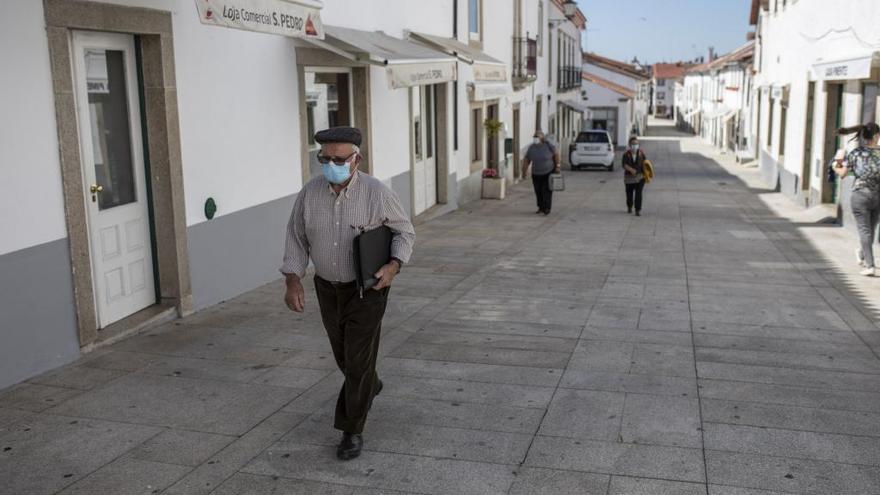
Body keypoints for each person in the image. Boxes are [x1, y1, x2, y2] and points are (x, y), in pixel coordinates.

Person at [280, 126, 415, 460]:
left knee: (355, 361)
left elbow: (404, 231)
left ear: (357, 158)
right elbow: (297, 236)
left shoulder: (376, 192)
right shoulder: (310, 192)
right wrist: (293, 280)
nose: (331, 165)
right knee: (345, 356)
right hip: (327, 288)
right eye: (324, 159)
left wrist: (394, 265)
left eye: (339, 159)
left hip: (367, 289)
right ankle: (370, 382)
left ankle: (351, 429)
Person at [832, 122, 880, 277]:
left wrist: (835, 165)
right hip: (877, 196)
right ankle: (863, 253)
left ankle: (870, 265)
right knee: (871, 229)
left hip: (860, 195)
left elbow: (843, 173)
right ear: (877, 136)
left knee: (865, 230)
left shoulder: (855, 153)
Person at [522, 130, 560, 215]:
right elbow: (527, 159)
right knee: (538, 191)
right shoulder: (531, 147)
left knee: (546, 190)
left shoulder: (548, 146)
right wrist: (524, 171)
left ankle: (547, 208)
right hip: (536, 173)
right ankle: (541, 207)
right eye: (534, 137)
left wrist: (557, 166)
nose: (535, 138)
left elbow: (556, 155)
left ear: (542, 138)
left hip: (548, 171)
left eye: (537, 137)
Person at [622, 136, 647, 216]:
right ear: (629, 145)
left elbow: (646, 164)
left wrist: (647, 174)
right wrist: (631, 170)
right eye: (633, 144)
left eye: (636, 144)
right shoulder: (626, 154)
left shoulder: (641, 153)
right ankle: (629, 206)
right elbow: (624, 164)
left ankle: (637, 210)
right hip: (629, 178)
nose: (635, 145)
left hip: (640, 177)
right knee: (629, 194)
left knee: (638, 193)